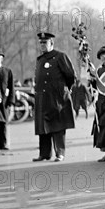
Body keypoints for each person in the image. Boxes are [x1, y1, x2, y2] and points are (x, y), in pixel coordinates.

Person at [33, 32, 76, 162]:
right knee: (43, 127)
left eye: (44, 42)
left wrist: (63, 90)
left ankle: (60, 153)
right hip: (43, 98)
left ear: (51, 43)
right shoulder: (40, 60)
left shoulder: (60, 57)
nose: (42, 45)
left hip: (57, 97)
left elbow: (71, 76)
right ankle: (44, 154)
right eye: (40, 43)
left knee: (58, 126)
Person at [0, 48, 14, 151]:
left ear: (2, 59)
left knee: (3, 123)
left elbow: (11, 87)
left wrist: (11, 101)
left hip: (4, 102)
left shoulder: (7, 71)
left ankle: (3, 144)